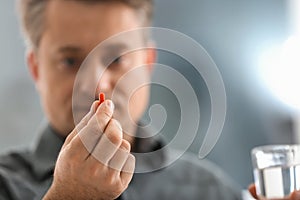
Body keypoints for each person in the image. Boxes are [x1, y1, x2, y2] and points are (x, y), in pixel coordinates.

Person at [0, 0, 244, 199]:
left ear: (147, 63)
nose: (96, 84)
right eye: (70, 62)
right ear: (36, 70)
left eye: (116, 59)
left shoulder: (210, 190)